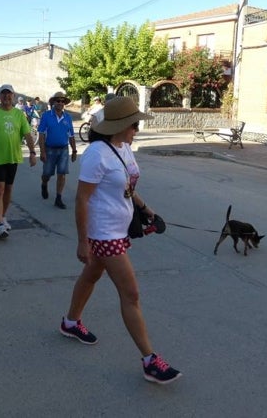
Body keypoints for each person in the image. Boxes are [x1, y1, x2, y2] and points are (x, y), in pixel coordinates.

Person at [60, 96, 181, 385]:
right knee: (131, 295)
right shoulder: (96, 154)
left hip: (118, 227)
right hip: (104, 232)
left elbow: (127, 187)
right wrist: (82, 241)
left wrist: (147, 209)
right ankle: (150, 361)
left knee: (91, 276)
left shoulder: (123, 148)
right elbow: (82, 199)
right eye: (135, 124)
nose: (137, 129)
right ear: (121, 125)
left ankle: (70, 322)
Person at [0, 84, 37, 240]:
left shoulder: (19, 114)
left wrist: (32, 153)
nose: (6, 97)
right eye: (4, 94)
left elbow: (27, 134)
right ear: (0, 96)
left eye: (9, 94)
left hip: (13, 158)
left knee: (8, 190)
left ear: (13, 96)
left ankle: (3, 216)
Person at [38, 91, 77, 209]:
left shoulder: (68, 117)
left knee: (62, 174)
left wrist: (74, 150)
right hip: (49, 149)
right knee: (47, 174)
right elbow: (41, 135)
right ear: (53, 102)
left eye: (62, 101)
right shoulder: (46, 116)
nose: (60, 103)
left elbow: (71, 135)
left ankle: (58, 198)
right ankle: (44, 184)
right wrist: (42, 151)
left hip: (64, 149)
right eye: (58, 101)